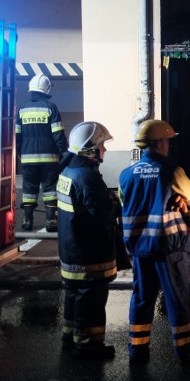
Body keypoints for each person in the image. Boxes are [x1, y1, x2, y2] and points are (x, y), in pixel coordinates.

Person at [118, 119, 190, 366]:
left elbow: (125, 204)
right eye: (167, 141)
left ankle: (137, 350)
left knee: (142, 297)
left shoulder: (126, 175)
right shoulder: (173, 172)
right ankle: (185, 350)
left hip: (139, 249)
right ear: (159, 144)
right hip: (168, 248)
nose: (169, 145)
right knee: (177, 298)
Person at [56, 121, 117, 360]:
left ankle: (70, 338)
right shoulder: (86, 177)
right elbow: (105, 211)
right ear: (89, 150)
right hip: (88, 254)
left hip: (71, 252)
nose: (104, 150)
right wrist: (116, 202)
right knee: (90, 302)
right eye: (101, 146)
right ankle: (89, 347)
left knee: (74, 297)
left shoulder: (68, 172)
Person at [16, 73, 68, 232]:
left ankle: (27, 221)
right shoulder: (50, 107)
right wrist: (64, 152)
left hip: (27, 158)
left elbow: (17, 135)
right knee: (50, 189)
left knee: (28, 190)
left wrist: (19, 153)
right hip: (49, 158)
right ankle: (51, 221)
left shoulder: (22, 109)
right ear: (46, 90)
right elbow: (58, 133)